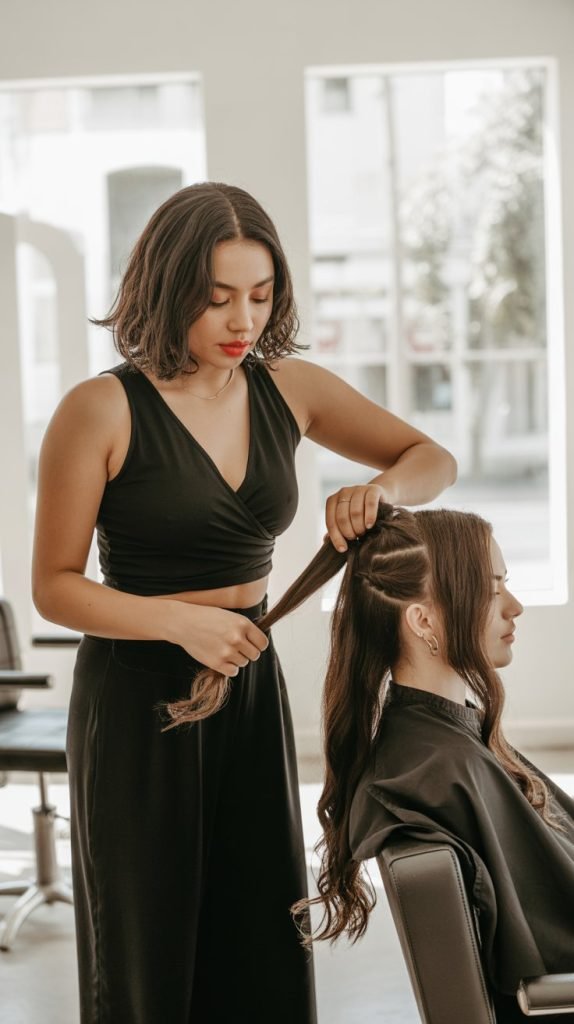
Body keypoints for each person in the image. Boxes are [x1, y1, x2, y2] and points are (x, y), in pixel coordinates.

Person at [31, 182, 456, 1024]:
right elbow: (54, 586)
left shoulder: (288, 389)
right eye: (217, 297)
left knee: (261, 929)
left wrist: (375, 489)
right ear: (166, 287)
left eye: (260, 297)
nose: (242, 321)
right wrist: (176, 620)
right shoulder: (100, 408)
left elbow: (430, 456)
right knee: (144, 946)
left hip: (248, 688)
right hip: (136, 699)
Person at [210, 503, 573, 1023]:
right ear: (423, 620)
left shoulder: (441, 745)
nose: (514, 606)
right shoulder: (434, 772)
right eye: (491, 590)